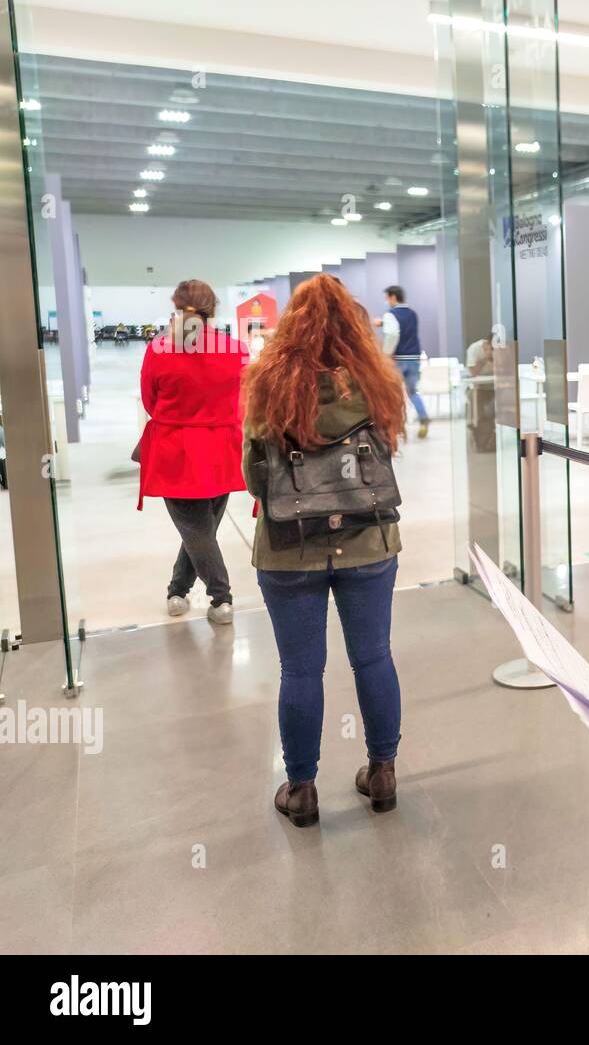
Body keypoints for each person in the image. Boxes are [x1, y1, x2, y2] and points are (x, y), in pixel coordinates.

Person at [242, 274, 408, 828]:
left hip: (291, 550)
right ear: (353, 326)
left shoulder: (269, 384)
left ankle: (303, 789)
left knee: (300, 669)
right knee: (373, 656)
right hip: (368, 541)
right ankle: (381, 773)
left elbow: (253, 478)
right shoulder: (374, 383)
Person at [137, 279, 247, 625]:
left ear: (176, 306)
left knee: (197, 531)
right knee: (201, 530)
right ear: (212, 309)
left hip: (176, 452)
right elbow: (245, 397)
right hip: (223, 451)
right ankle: (178, 591)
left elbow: (150, 401)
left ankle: (221, 598)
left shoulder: (159, 349)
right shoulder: (236, 348)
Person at [373, 285, 431, 439]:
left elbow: (393, 334)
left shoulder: (390, 314)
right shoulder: (412, 314)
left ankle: (397, 427)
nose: (386, 302)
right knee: (412, 392)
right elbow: (403, 327)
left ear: (393, 297)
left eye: (387, 298)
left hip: (398, 360)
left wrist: (385, 356)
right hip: (414, 358)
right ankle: (423, 417)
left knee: (394, 393)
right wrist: (384, 322)